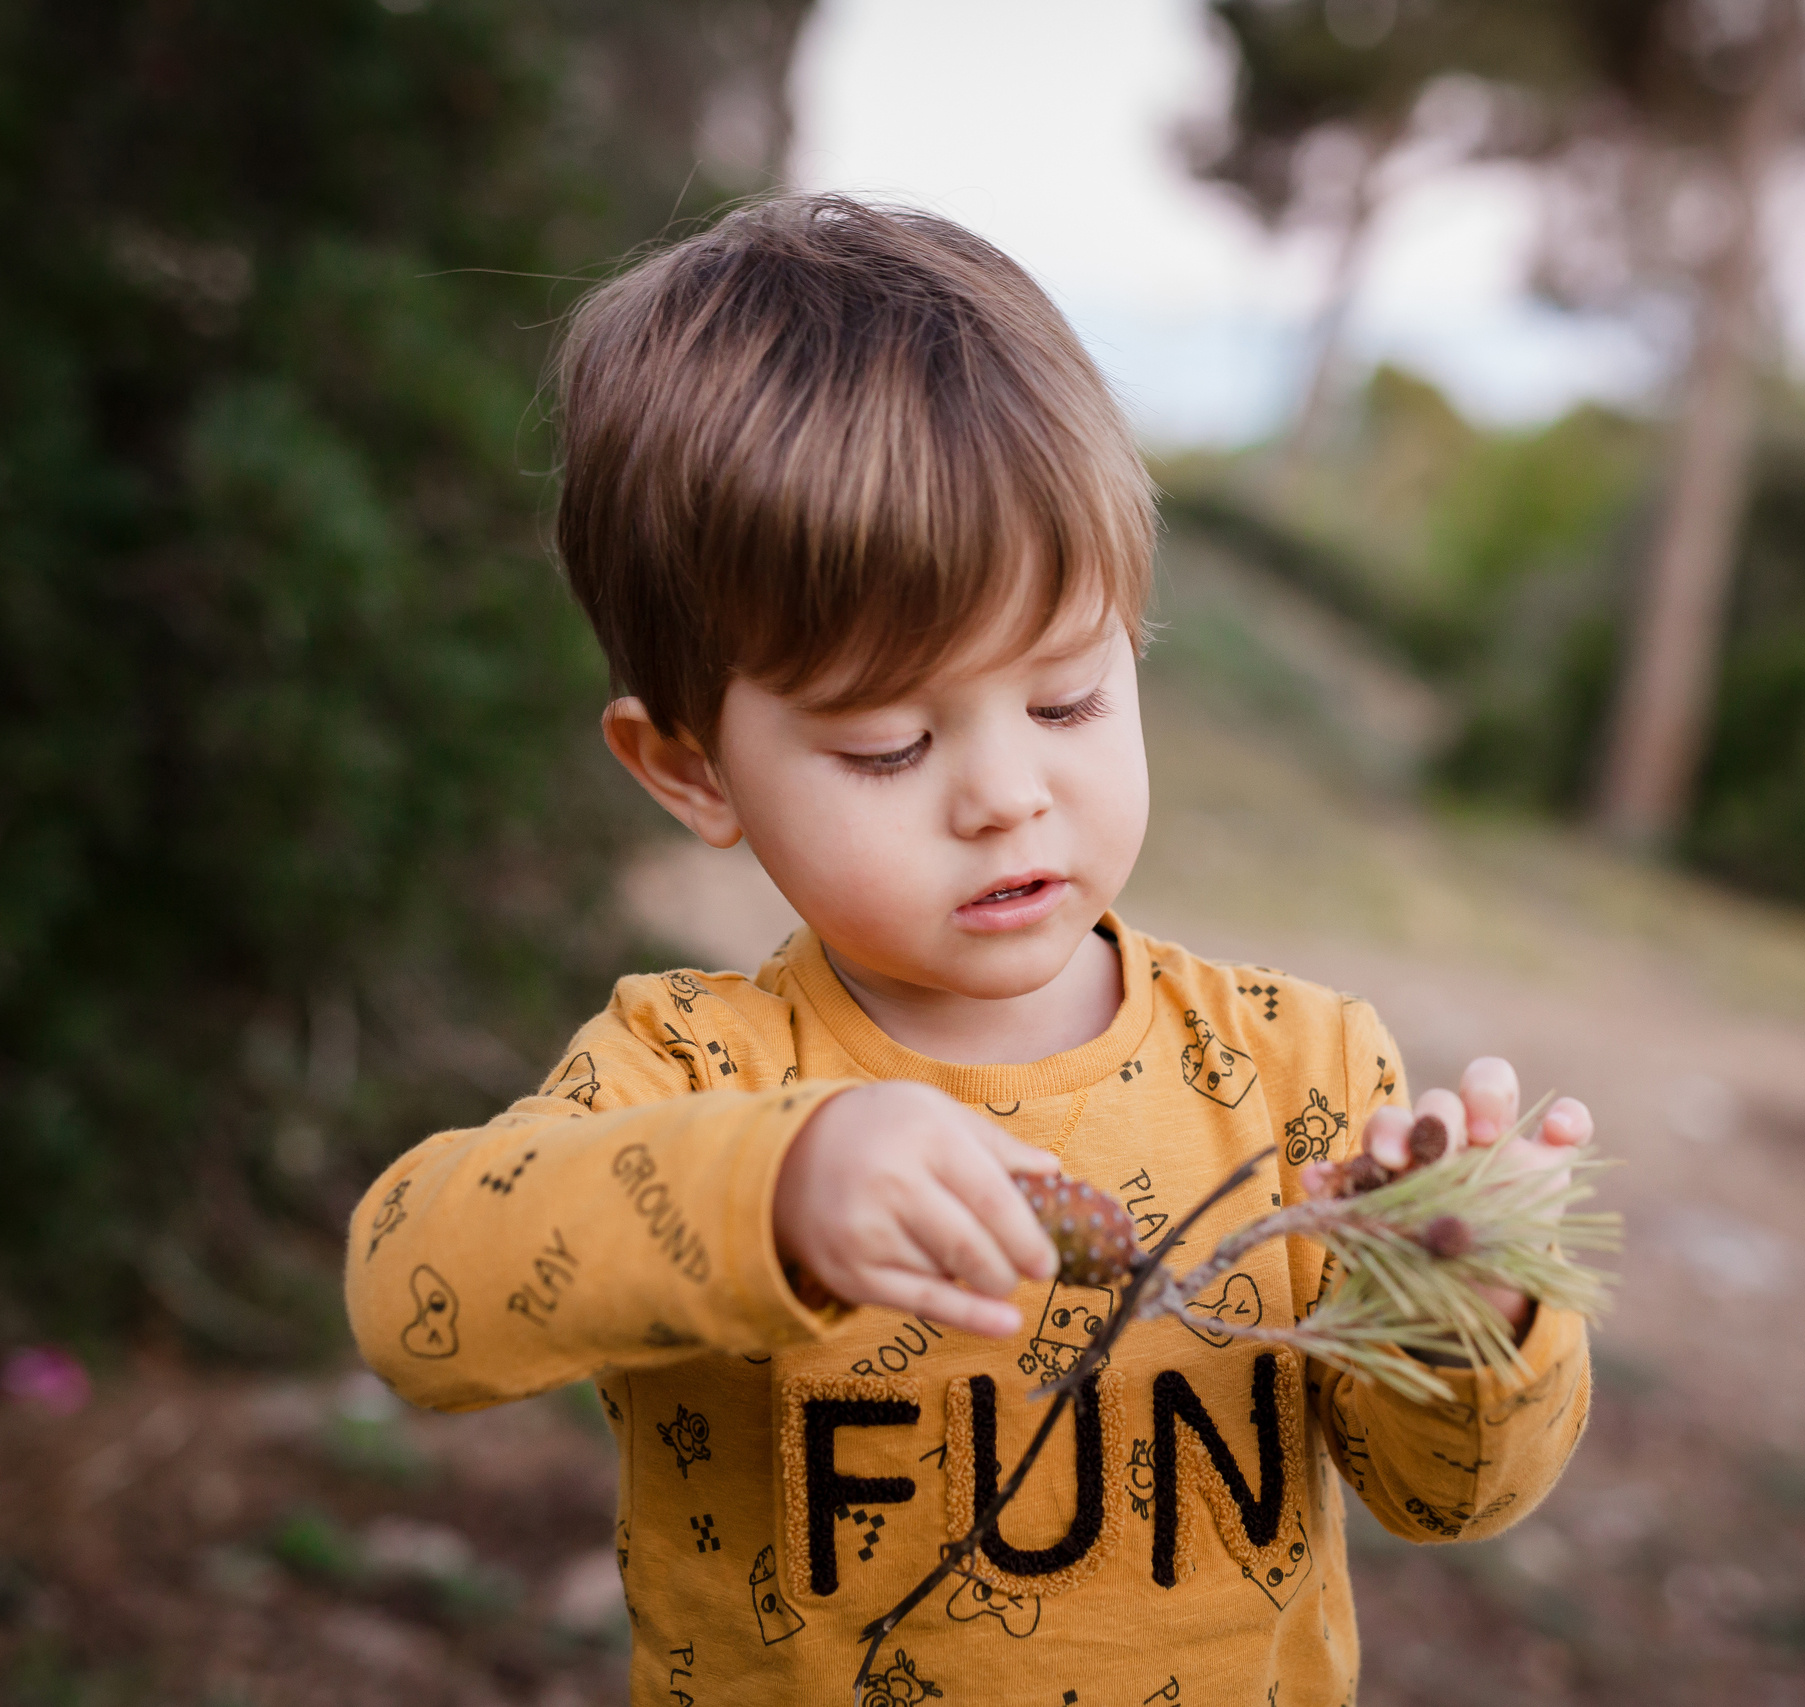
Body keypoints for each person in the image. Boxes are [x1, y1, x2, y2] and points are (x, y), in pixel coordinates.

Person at [346, 194, 1596, 1705]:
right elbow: (412, 1293)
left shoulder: (1300, 1075)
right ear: (689, 768)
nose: (1007, 795)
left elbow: (1449, 1496)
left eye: (1068, 700)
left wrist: (1477, 1300)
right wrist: (774, 1190)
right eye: (885, 743)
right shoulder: (695, 1075)